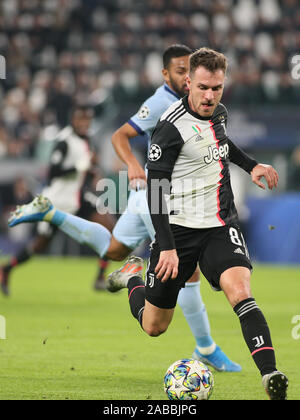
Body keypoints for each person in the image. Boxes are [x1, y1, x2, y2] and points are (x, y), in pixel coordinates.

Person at [6, 45, 243, 373]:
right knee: (188, 271)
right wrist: (132, 164)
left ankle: (52, 214)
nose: (186, 78)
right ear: (167, 74)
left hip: (149, 192)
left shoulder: (201, 102)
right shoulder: (162, 102)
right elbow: (121, 135)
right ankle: (206, 347)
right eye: (179, 71)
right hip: (161, 196)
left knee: (114, 249)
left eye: (189, 71)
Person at [105, 48, 288, 400]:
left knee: (241, 292)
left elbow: (221, 145)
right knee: (154, 326)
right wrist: (168, 245)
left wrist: (252, 166)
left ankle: (270, 375)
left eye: (217, 88)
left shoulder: (218, 113)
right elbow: (156, 191)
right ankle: (132, 278)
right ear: (188, 82)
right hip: (176, 230)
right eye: (203, 87)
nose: (210, 96)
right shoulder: (169, 129)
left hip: (219, 223)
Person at [0, 104, 115, 295]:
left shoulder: (87, 140)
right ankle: (6, 269)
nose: (84, 123)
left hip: (78, 198)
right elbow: (53, 171)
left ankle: (100, 277)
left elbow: (84, 168)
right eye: (81, 119)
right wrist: (81, 166)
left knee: (110, 227)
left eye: (87, 120)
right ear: (73, 120)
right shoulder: (64, 141)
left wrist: (92, 172)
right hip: (58, 201)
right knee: (39, 245)